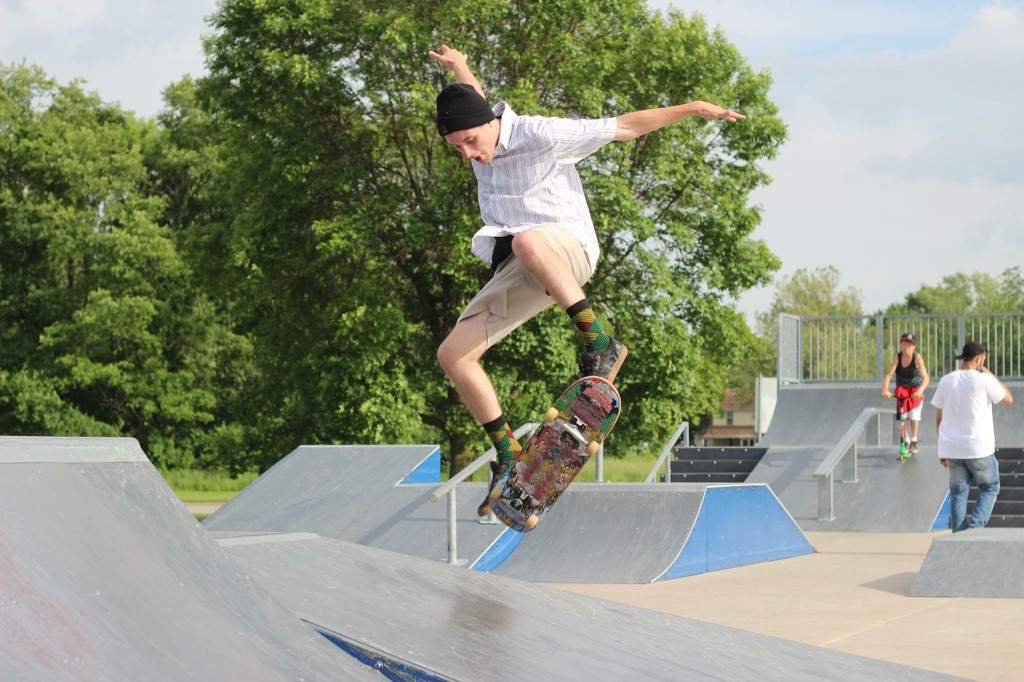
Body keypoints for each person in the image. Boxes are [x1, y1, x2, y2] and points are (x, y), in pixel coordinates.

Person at [428, 44, 745, 515]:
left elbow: (624, 126)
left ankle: (599, 341)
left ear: (490, 124)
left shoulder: (542, 134)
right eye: (458, 148)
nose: (470, 154)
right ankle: (508, 454)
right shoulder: (478, 125)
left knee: (528, 240)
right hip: (521, 260)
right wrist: (460, 66)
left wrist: (693, 108)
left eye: (471, 142)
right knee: (453, 355)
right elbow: (472, 101)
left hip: (567, 250)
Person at [931, 341, 1014, 532]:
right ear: (978, 359)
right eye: (983, 359)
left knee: (958, 493)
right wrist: (990, 375)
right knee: (990, 487)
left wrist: (943, 449)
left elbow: (939, 418)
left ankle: (959, 536)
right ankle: (975, 529)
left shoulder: (946, 380)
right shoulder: (984, 380)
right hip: (979, 448)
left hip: (952, 448)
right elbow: (1009, 399)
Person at [881, 332, 930, 455]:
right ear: (901, 345)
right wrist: (885, 389)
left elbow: (926, 378)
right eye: (904, 344)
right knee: (903, 415)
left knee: (914, 414)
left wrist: (920, 391)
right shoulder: (897, 357)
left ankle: (914, 440)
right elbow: (888, 375)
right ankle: (906, 440)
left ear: (914, 346)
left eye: (910, 344)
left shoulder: (917, 357)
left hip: (915, 390)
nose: (907, 347)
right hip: (902, 389)